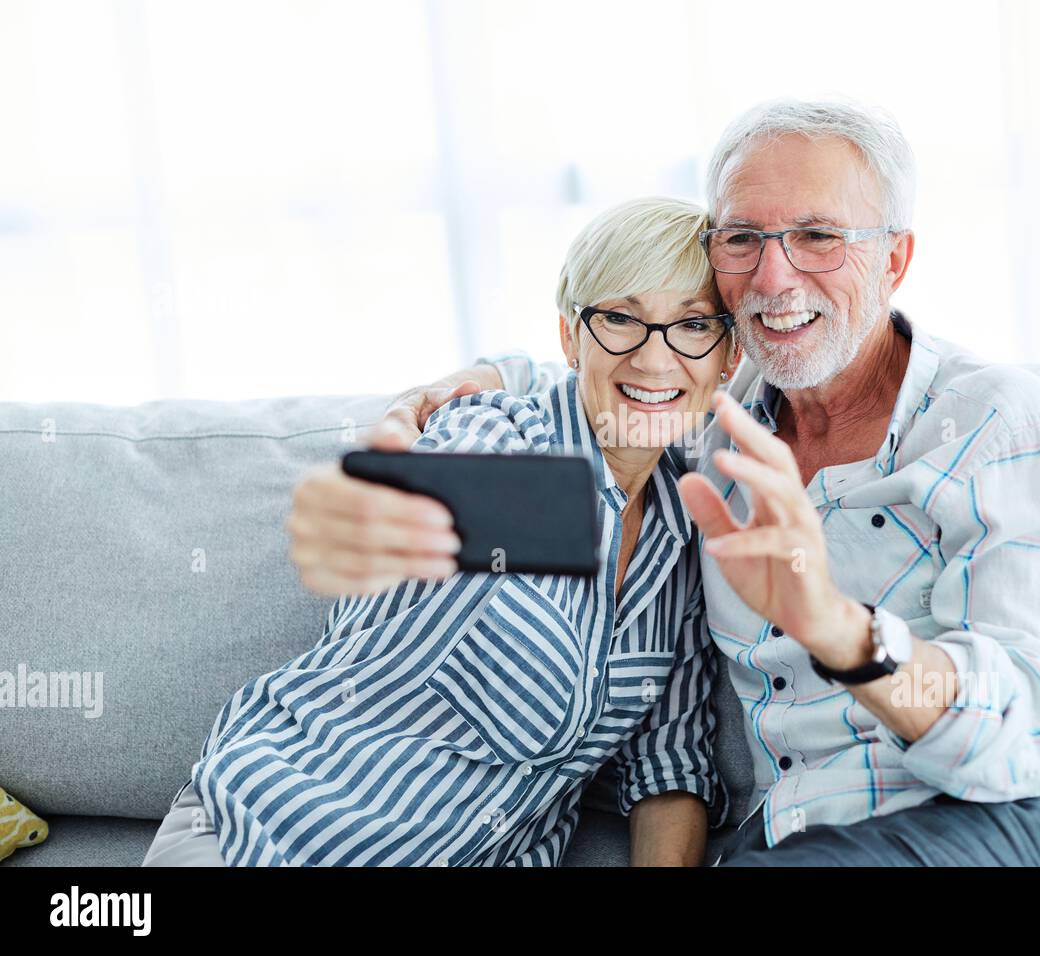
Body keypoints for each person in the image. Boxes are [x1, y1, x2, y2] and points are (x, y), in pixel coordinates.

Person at [289, 99, 1040, 866]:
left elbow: (1024, 732)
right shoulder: (712, 422)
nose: (774, 275)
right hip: (806, 833)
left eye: (818, 237)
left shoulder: (995, 420)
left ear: (895, 260)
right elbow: (617, 365)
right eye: (743, 238)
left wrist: (833, 626)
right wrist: (477, 381)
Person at [142, 197, 740, 866]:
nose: (656, 359)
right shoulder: (491, 437)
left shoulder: (682, 534)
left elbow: (669, 764)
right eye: (621, 319)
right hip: (270, 835)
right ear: (571, 337)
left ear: (728, 356)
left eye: (691, 325)